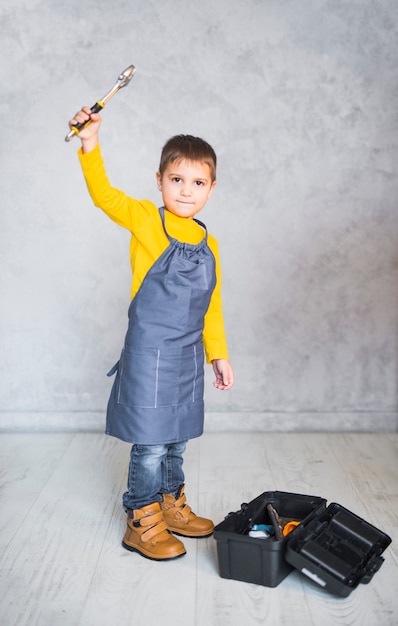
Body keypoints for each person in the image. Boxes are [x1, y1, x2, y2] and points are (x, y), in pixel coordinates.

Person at [69, 107, 234, 561]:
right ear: (159, 181)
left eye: (198, 183)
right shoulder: (145, 219)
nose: (186, 190)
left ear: (211, 189)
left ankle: (170, 503)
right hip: (149, 353)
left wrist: (218, 354)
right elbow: (103, 195)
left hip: (187, 355)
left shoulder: (209, 242)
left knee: (177, 437)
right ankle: (141, 518)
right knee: (152, 442)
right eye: (176, 180)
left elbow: (211, 305)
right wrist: (90, 141)